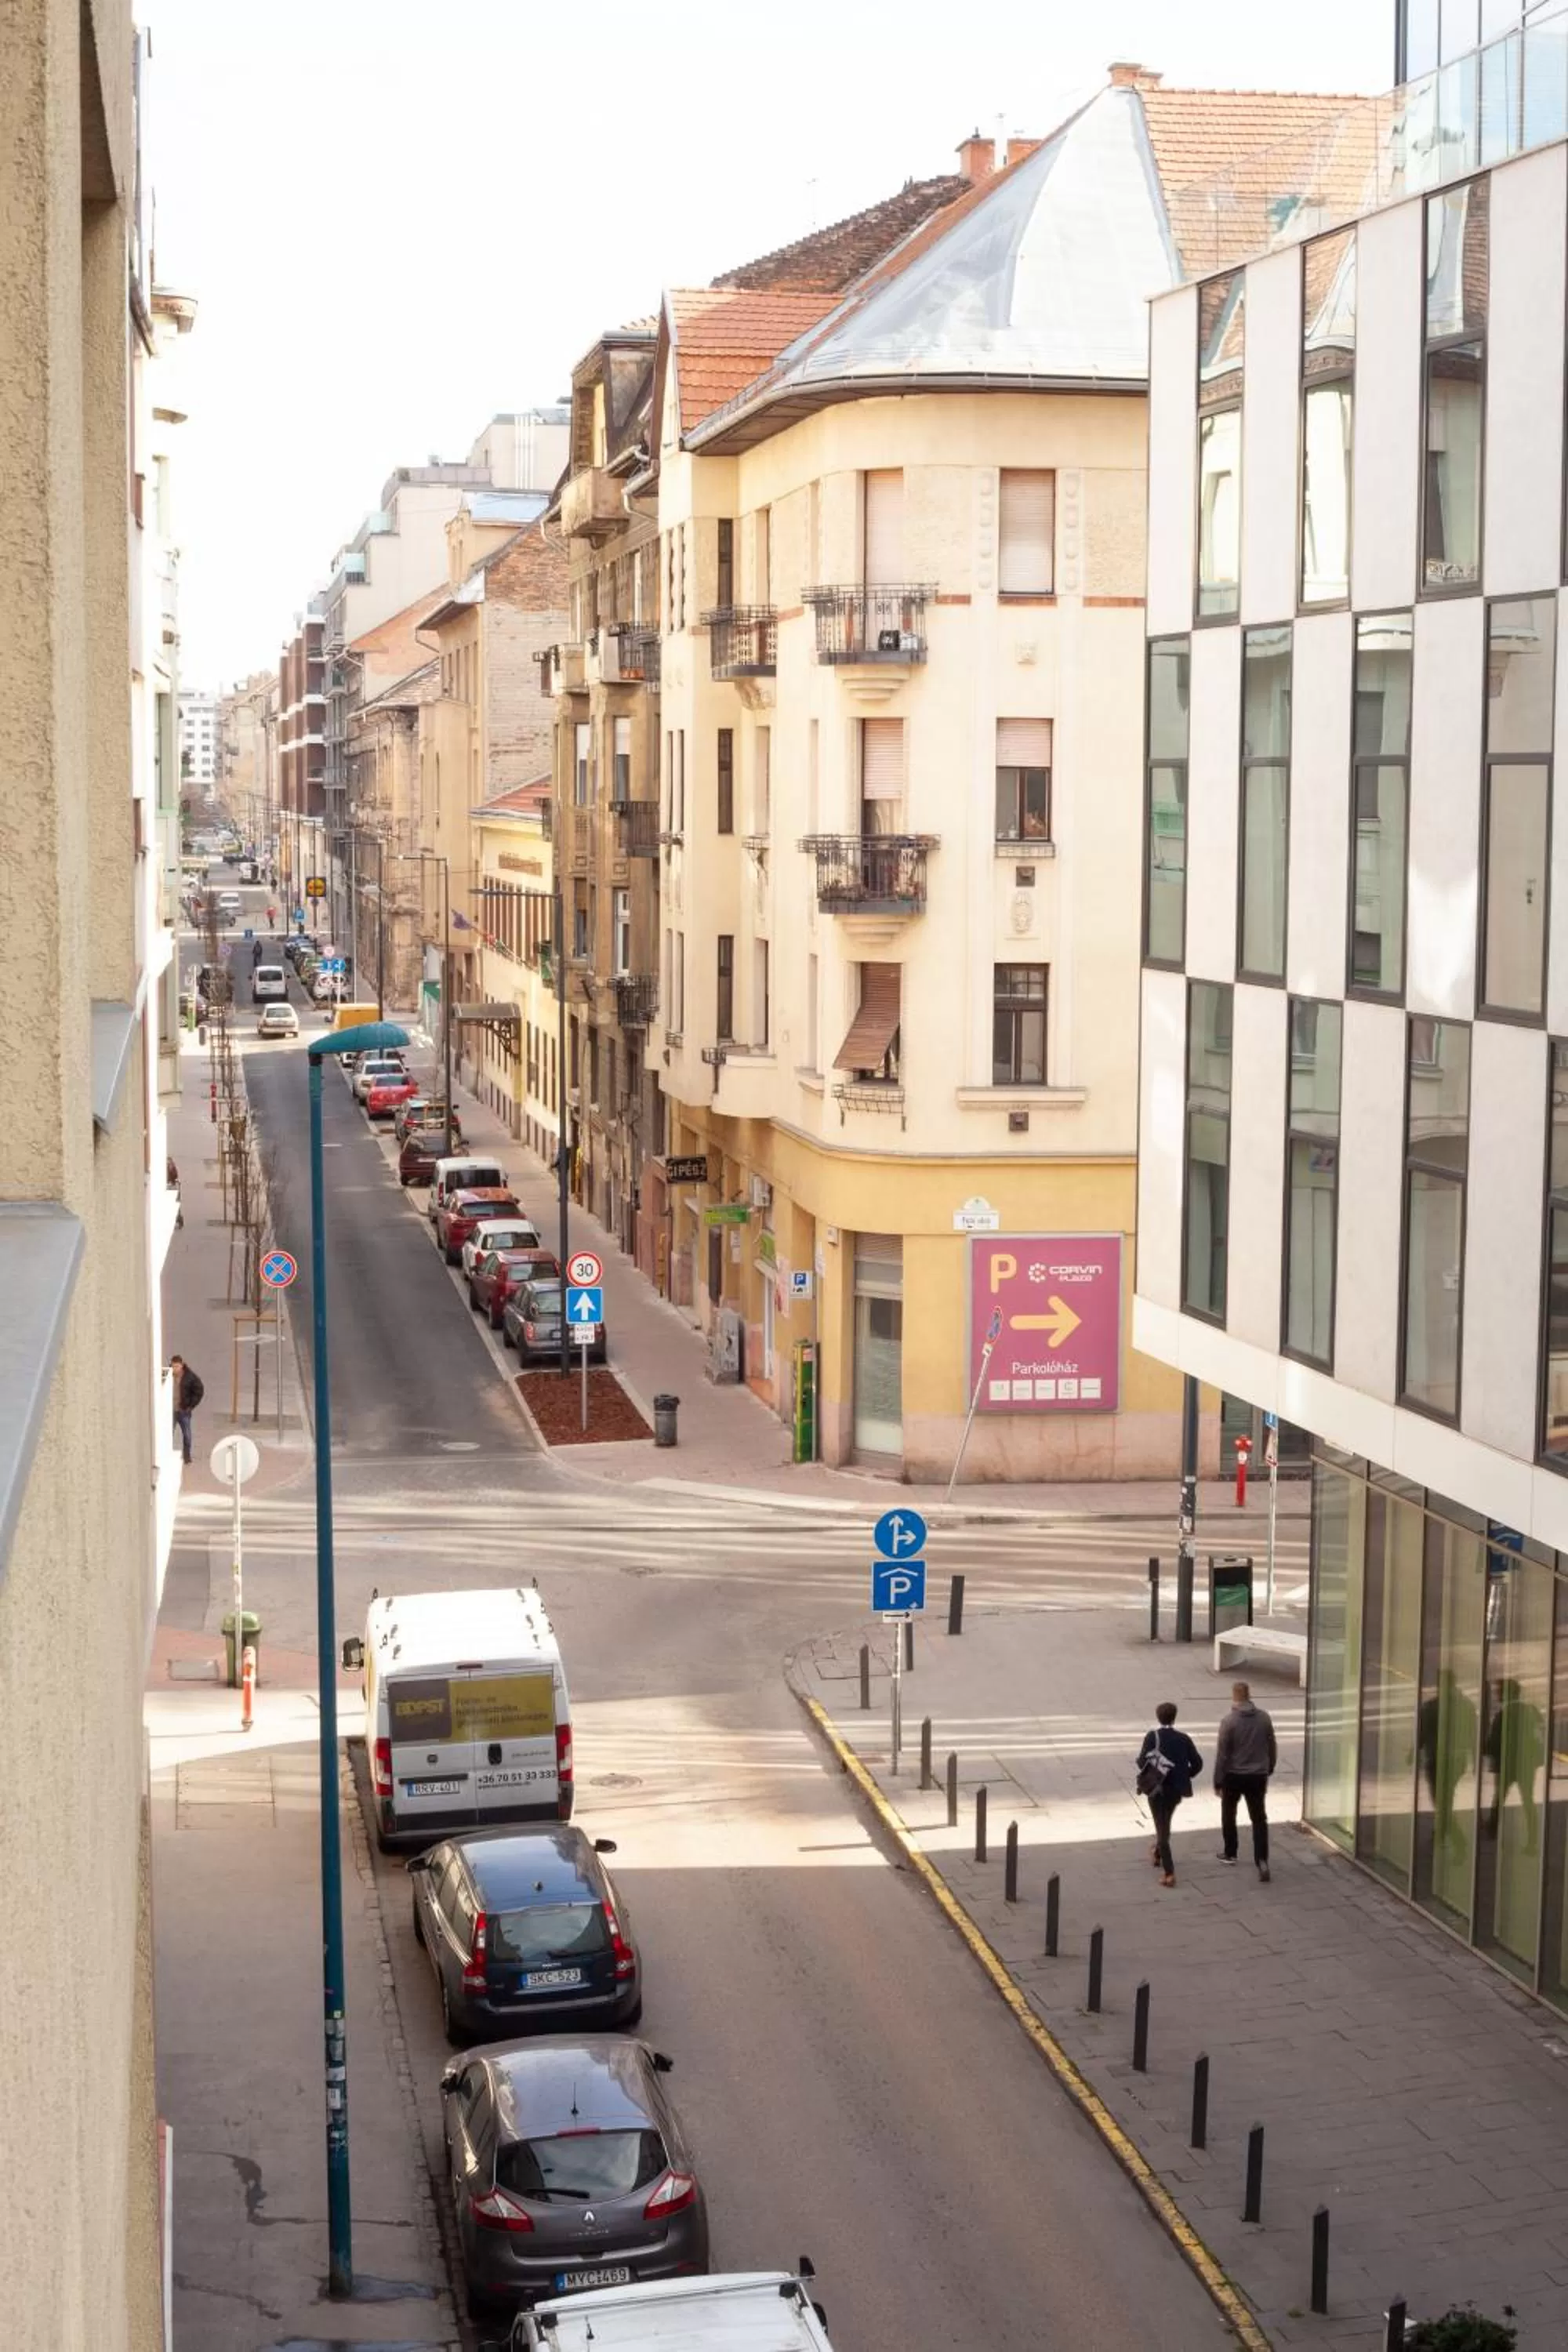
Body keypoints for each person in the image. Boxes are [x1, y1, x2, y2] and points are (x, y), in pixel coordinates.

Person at [1215, 1680, 1278, 1880]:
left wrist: (1218, 1780)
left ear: (1234, 1697)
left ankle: (1230, 1852)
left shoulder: (1229, 1721)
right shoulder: (1264, 1718)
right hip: (1258, 1775)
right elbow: (1271, 1744)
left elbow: (1223, 1755)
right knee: (1259, 1818)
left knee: (1229, 1813)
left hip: (1234, 1775)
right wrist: (1270, 1766)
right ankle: (1262, 1860)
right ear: (1250, 1696)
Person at [1136, 1701, 1203, 1889]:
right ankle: (1158, 1852)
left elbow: (1141, 1762)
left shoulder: (1153, 1737)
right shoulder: (1184, 1738)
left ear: (1158, 1717)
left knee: (1162, 1827)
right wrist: (1185, 1775)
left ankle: (1169, 1872)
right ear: (1174, 1717)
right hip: (1175, 1790)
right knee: (1165, 1822)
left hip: (1156, 1788)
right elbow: (1197, 1764)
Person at [169, 1355, 204, 1465]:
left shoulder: (190, 1377)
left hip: (183, 1411)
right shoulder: (168, 1375)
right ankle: (166, 1454)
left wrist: (191, 1406)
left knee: (187, 1435)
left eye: (177, 1366)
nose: (175, 1369)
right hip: (171, 1410)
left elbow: (199, 1390)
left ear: (182, 1365)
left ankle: (187, 1457)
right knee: (168, 1433)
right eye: (173, 1366)